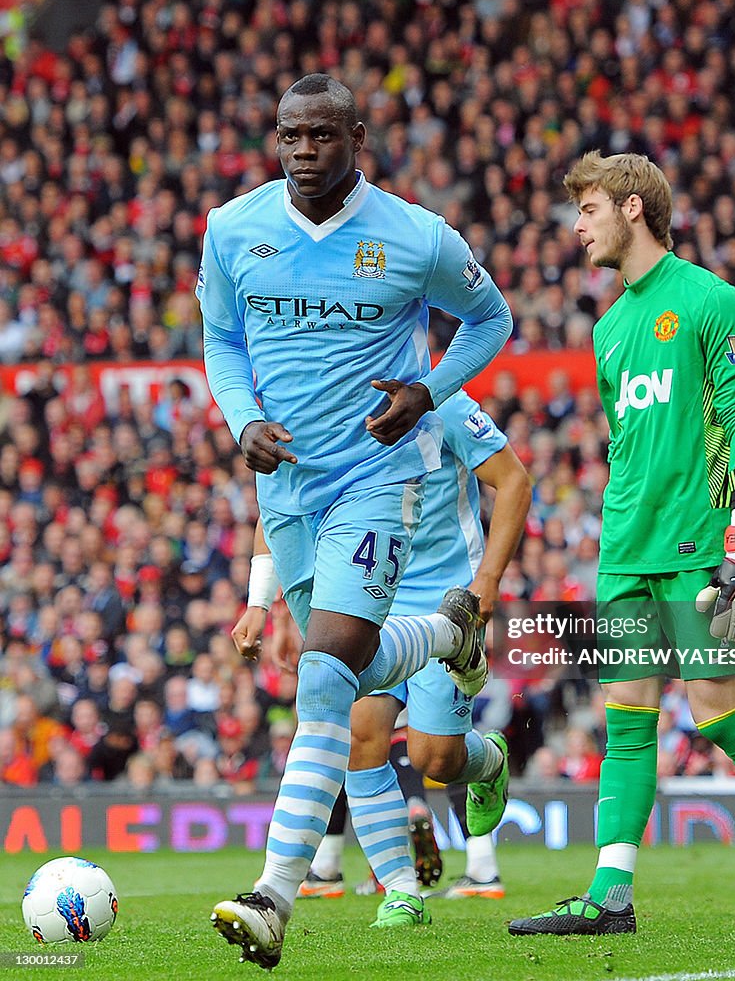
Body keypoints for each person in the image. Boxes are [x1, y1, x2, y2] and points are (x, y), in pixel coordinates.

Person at [200, 74, 512, 969]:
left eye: (322, 136)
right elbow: (221, 341)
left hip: (378, 482)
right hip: (285, 491)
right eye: (289, 135)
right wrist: (239, 420)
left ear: (358, 138)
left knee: (326, 680)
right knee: (346, 673)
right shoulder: (234, 230)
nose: (303, 151)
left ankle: (273, 896)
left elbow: (491, 319)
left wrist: (426, 391)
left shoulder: (416, 237)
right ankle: (445, 634)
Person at [509, 152, 735, 937]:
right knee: (626, 717)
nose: (577, 226)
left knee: (717, 716)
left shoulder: (708, 300)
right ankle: (609, 896)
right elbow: (628, 448)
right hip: (624, 551)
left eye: (587, 209)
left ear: (632, 207)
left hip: (698, 548)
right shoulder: (606, 330)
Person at [233, 389, 531, 916]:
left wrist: (486, 581)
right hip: (368, 590)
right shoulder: (325, 405)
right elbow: (281, 503)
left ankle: (488, 763)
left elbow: (513, 482)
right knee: (360, 739)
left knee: (434, 757)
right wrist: (265, 604)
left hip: (444, 598)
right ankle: (401, 890)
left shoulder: (443, 404)